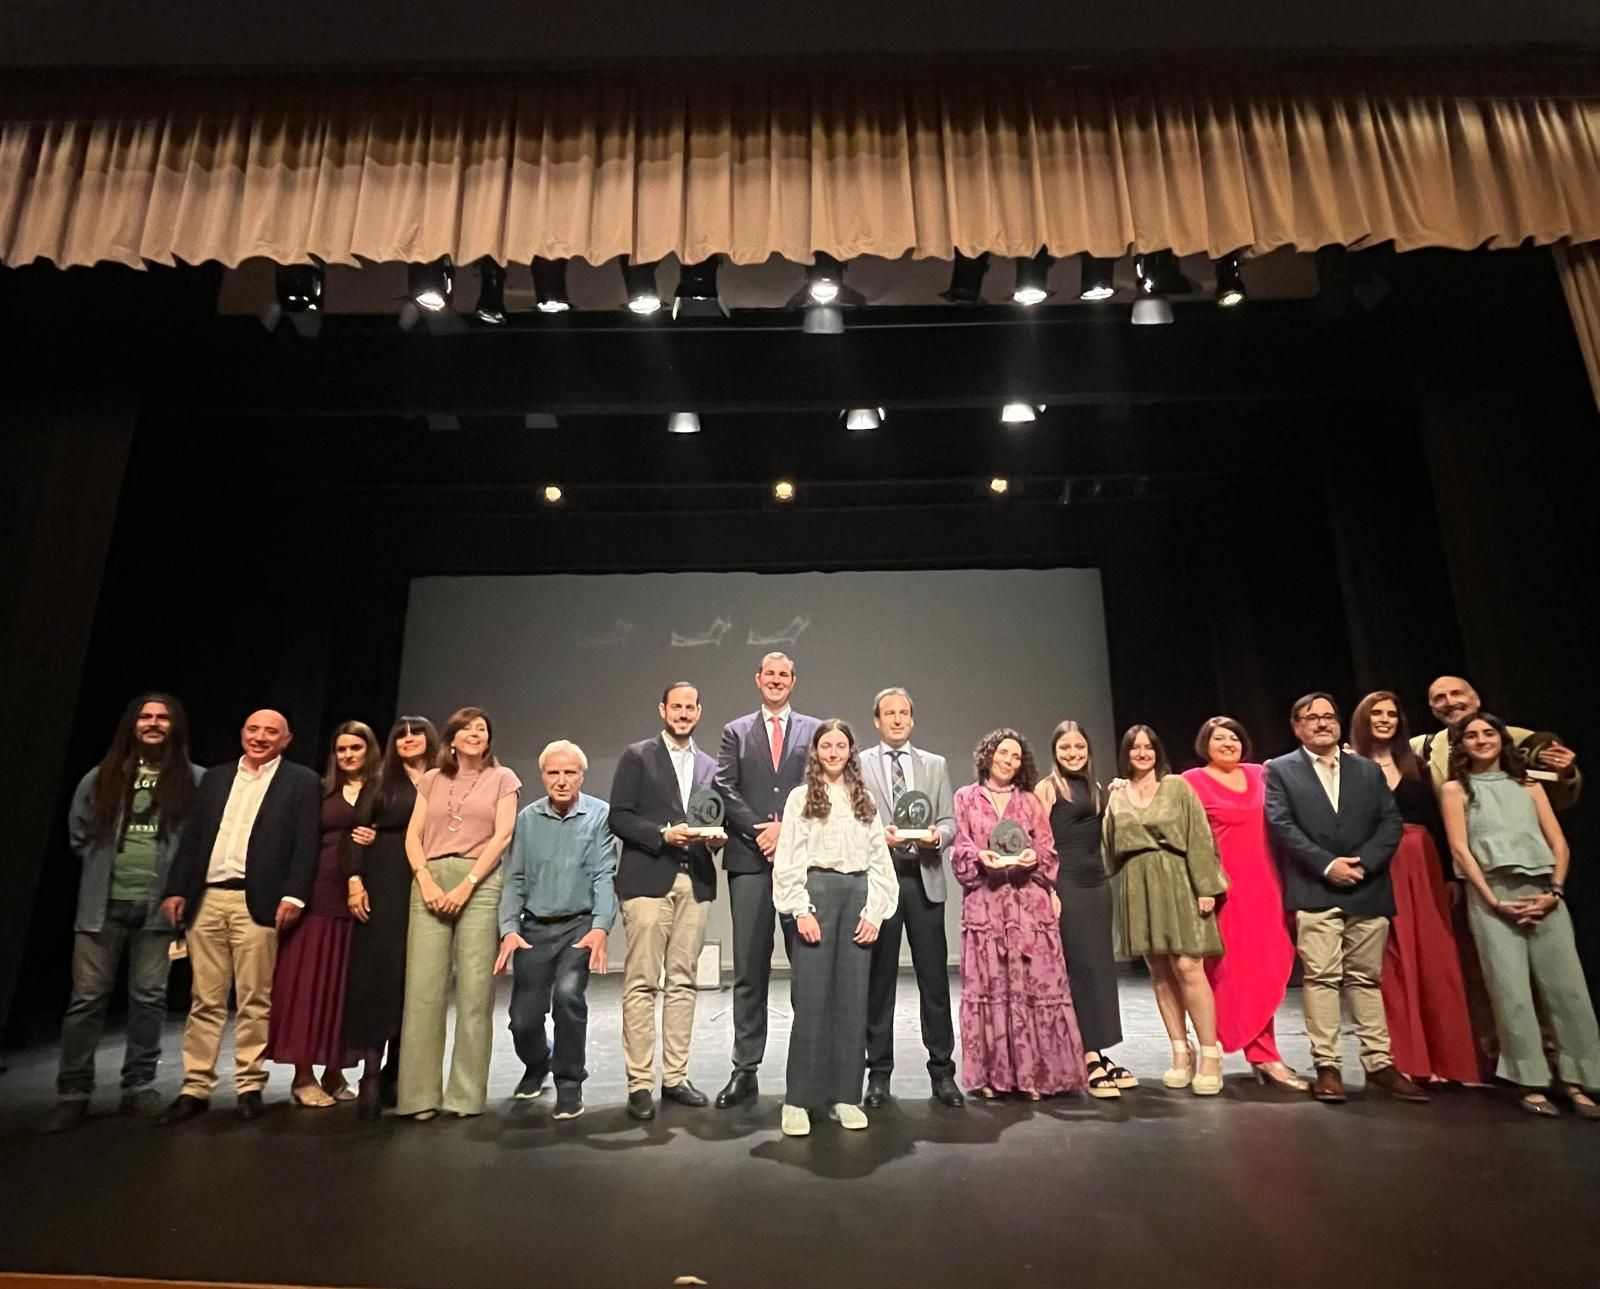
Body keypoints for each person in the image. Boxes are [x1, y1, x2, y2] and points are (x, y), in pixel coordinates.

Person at [46, 694, 202, 1132]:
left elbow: (197, 845)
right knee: (86, 1000)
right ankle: (73, 1092)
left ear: (175, 727)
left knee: (149, 999)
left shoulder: (194, 781)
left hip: (159, 908)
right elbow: (79, 837)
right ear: (131, 726)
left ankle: (139, 1086)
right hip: (101, 907)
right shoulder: (101, 778)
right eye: (145, 717)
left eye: (162, 717)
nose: (153, 724)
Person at [157, 709, 320, 1124]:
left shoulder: (301, 781)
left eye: (271, 732)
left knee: (254, 998)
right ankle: (195, 1087)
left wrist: (295, 895)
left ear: (286, 739)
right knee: (204, 999)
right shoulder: (215, 778)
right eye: (253, 729)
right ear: (241, 733)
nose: (260, 737)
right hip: (208, 898)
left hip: (259, 901)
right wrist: (177, 888)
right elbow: (192, 838)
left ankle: (249, 1084)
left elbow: (306, 844)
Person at [1264, 692, 1427, 1105]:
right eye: (1311, 718)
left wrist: (1364, 864)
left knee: (1365, 979)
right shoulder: (1281, 771)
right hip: (1315, 887)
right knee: (1321, 978)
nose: (1322, 723)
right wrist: (1326, 865)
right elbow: (1282, 824)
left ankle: (1379, 1064)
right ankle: (1328, 1066)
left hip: (1367, 888)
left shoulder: (1367, 771)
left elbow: (1391, 822)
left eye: (1328, 716)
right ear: (1297, 727)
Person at [1439, 712, 1600, 1117]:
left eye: (1488, 733)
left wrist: (1554, 891)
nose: (1481, 740)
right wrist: (1492, 901)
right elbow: (1460, 850)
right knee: (1511, 992)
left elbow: (1559, 845)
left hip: (1545, 893)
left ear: (1501, 739)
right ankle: (1529, 1082)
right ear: (1461, 746)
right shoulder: (1456, 790)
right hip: (1493, 896)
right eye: (1471, 735)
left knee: (1568, 991)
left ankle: (1578, 1079)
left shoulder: (1528, 785)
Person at [772, 720, 898, 1135]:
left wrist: (875, 911)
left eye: (840, 745)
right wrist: (800, 910)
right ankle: (799, 1100)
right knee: (811, 1000)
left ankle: (846, 1095)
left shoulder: (864, 799)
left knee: (851, 1000)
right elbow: (788, 857)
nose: (832, 752)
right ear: (816, 751)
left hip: (857, 897)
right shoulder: (801, 798)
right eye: (826, 745)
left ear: (849, 751)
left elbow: (880, 859)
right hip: (817, 895)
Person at [396, 706, 520, 1120]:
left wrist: (467, 885)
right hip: (429, 878)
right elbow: (413, 835)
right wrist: (426, 880)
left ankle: (464, 1096)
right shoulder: (432, 779)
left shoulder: (503, 779)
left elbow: (502, 835)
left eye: (482, 729)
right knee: (422, 991)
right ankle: (418, 1096)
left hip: (479, 882)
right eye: (466, 728)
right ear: (451, 738)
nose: (474, 734)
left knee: (473, 993)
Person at [1350, 691, 1479, 1085]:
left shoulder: (1417, 764)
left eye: (1392, 713)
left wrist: (1450, 875)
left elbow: (1440, 821)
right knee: (1390, 959)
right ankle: (1404, 1059)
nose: (1385, 719)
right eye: (1377, 713)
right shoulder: (1348, 766)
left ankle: (1451, 1060)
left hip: (1423, 864)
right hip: (1377, 866)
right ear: (1362, 719)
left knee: (1435, 957)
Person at [608, 684, 723, 1121]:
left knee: (683, 982)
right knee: (641, 983)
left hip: (694, 881)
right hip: (647, 880)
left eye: (690, 706)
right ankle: (640, 1083)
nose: (683, 713)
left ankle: (675, 1077)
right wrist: (661, 835)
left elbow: (711, 817)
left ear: (699, 711)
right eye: (676, 706)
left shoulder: (710, 765)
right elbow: (619, 816)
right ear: (662, 710)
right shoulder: (637, 756)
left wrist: (716, 837)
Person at [951, 728, 1086, 1099]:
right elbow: (960, 847)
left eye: (1015, 756)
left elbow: (1047, 850)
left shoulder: (1029, 802)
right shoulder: (966, 797)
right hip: (986, 904)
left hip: (1027, 906)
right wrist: (979, 856)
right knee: (991, 988)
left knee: (1034, 987)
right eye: (1002, 753)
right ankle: (993, 1077)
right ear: (988, 754)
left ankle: (1035, 1076)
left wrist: (1033, 858)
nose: (1008, 761)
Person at [713, 652, 820, 1108]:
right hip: (750, 862)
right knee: (749, 970)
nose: (776, 680)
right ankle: (745, 1069)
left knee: (806, 969)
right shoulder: (735, 731)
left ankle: (811, 1069)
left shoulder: (815, 731)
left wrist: (787, 831)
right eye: (769, 674)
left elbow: (822, 785)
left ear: (794, 681)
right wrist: (763, 829)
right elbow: (723, 785)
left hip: (802, 863)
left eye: (784, 675)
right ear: (757, 679)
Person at [495, 740, 617, 1122]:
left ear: (582, 775)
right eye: (553, 773)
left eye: (569, 773)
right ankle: (538, 1063)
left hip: (578, 925)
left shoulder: (600, 815)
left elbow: (604, 875)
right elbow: (513, 877)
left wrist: (600, 927)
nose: (561, 781)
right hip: (534, 927)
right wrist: (508, 927)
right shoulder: (527, 820)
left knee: (567, 997)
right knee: (523, 1018)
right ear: (542, 775)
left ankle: (569, 1082)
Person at [1181, 718, 1305, 1092]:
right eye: (1219, 737)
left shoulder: (1260, 774)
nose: (1228, 743)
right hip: (1223, 889)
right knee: (1234, 972)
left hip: (1266, 882)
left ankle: (1261, 1051)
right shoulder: (1191, 782)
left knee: (1270, 964)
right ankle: (1255, 1053)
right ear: (1205, 744)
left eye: (1235, 737)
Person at [1102, 726, 1227, 1096]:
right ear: (1125, 754)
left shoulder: (1177, 787)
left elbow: (1200, 836)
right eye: (1134, 748)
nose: (1141, 753)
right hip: (1136, 883)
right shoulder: (1118, 795)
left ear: (1157, 751)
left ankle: (1209, 1053)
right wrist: (1110, 803)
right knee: (1158, 969)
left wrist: (1206, 886)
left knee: (1188, 966)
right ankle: (1179, 1050)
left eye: (1148, 747)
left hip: (1177, 878)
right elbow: (1109, 850)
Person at [858, 687, 963, 1109]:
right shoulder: (860, 763)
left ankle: (943, 1073)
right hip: (881, 882)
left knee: (933, 981)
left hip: (924, 878)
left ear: (912, 720)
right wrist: (874, 836)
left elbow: (949, 820)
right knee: (879, 982)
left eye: (904, 713)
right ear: (877, 721)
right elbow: (854, 818)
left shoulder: (934, 765)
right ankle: (878, 1076)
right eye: (889, 713)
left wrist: (940, 835)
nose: (898, 720)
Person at [264, 721, 378, 1106]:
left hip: (362, 898)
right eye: (341, 749)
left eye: (355, 748)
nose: (347, 755)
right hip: (318, 895)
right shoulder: (319, 788)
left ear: (369, 751)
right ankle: (302, 1076)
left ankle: (334, 1072)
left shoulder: (381, 790)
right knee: (310, 987)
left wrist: (379, 834)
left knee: (344, 990)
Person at [342, 715, 439, 1118]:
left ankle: (400, 1070)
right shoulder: (381, 783)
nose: (409, 740)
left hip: (430, 879)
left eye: (416, 734)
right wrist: (354, 881)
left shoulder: (444, 780)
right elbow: (357, 831)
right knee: (381, 975)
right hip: (385, 881)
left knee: (416, 979)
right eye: (401, 735)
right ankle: (370, 1073)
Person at [1035, 720, 1131, 1099]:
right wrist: (1048, 887)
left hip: (1097, 885)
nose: (1072, 754)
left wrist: (1121, 790)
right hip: (1067, 884)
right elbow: (1039, 839)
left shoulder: (1096, 789)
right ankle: (1085, 1052)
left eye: (1079, 748)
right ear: (1054, 752)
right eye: (1065, 749)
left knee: (1101, 968)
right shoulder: (1047, 788)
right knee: (1079, 967)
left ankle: (1100, 1047)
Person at [1414, 675, 1580, 807]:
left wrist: (1567, 773)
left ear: (1476, 700)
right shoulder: (1425, 746)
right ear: (1432, 709)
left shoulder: (1521, 739)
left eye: (1457, 693)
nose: (1449, 702)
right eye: (1439, 698)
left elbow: (1559, 801)